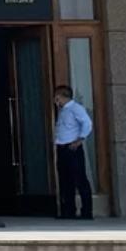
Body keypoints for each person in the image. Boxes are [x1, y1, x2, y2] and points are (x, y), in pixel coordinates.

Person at [52, 85, 94, 221]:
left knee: (80, 179)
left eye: (56, 97)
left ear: (61, 96)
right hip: (62, 147)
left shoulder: (76, 108)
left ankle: (87, 211)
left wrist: (80, 139)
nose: (55, 100)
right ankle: (69, 210)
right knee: (65, 180)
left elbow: (87, 123)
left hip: (72, 148)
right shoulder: (63, 110)